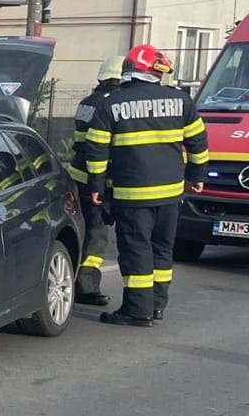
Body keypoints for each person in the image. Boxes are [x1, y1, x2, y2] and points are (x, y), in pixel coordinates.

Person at [83, 44, 210, 327]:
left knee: (136, 249)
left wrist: (96, 186)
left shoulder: (110, 104)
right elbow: (198, 142)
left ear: (128, 72)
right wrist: (197, 176)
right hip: (171, 193)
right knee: (163, 249)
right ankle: (156, 306)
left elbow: (96, 151)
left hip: (133, 194)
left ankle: (137, 311)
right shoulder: (182, 101)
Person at [69, 56, 126, 306]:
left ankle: (72, 280)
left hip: (77, 175)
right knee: (97, 234)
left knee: (82, 229)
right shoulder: (112, 104)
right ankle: (86, 287)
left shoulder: (87, 102)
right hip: (97, 179)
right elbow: (104, 147)